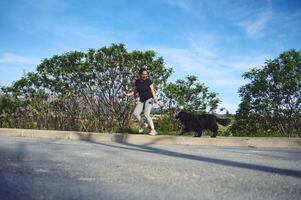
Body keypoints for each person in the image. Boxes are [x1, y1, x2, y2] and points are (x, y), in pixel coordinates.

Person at [123, 68, 158, 136]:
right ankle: (143, 124)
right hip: (142, 100)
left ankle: (153, 130)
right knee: (135, 113)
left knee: (146, 114)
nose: (145, 76)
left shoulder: (148, 81)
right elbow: (134, 92)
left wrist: (155, 98)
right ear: (140, 74)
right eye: (143, 74)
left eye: (146, 74)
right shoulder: (137, 82)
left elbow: (152, 90)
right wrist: (127, 94)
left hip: (149, 99)